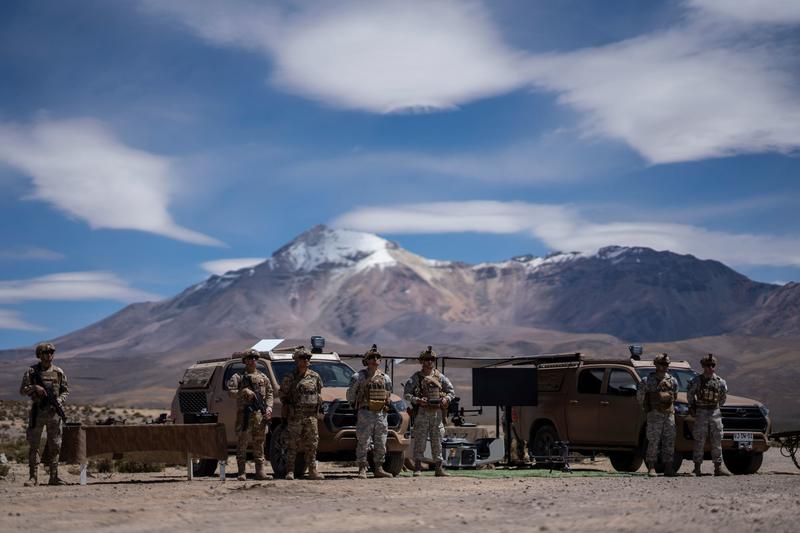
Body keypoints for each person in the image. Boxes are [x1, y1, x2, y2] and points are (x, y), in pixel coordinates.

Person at [19, 342, 69, 486]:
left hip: (54, 414)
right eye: (46, 352)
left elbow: (65, 390)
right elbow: (22, 390)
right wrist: (35, 387)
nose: (49, 355)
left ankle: (54, 477)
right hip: (38, 412)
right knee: (34, 445)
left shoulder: (59, 372)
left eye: (51, 352)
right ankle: (33, 477)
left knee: (55, 445)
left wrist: (59, 400)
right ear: (39, 355)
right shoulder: (32, 372)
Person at [403, 346, 455, 477]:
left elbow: (451, 392)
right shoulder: (416, 377)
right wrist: (418, 400)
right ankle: (417, 468)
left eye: (432, 359)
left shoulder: (440, 377)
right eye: (426, 359)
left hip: (437, 413)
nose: (429, 361)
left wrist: (446, 399)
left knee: (437, 440)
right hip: (422, 412)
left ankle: (439, 468)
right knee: (420, 440)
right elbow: (407, 394)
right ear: (422, 361)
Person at [347, 344, 393, 479]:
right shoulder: (358, 377)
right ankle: (362, 468)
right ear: (366, 360)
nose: (375, 359)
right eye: (372, 357)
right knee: (363, 441)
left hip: (380, 414)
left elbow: (388, 393)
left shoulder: (385, 378)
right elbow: (350, 394)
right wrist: (356, 405)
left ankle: (379, 468)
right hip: (365, 413)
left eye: (377, 357)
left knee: (381, 441)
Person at [226, 349, 273, 481]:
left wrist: (269, 408)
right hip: (244, 415)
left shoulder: (263, 378)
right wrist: (243, 391)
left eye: (255, 358)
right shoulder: (238, 377)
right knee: (242, 443)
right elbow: (231, 393)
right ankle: (241, 472)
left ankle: (260, 472)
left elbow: (270, 393)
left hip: (259, 416)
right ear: (245, 361)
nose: (253, 360)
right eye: (250, 358)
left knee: (259, 443)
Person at [279, 346, 324, 480]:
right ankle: (290, 471)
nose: (306, 360)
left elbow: (319, 392)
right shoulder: (291, 377)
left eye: (308, 358)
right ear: (297, 360)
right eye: (303, 358)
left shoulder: (315, 376)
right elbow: (282, 394)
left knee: (312, 444)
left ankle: (312, 471)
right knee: (292, 444)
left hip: (311, 416)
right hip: (296, 416)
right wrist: (288, 405)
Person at [687, 354, 730, 476]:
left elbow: (722, 398)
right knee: (699, 440)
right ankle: (697, 468)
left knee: (717, 440)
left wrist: (715, 407)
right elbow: (690, 395)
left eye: (713, 365)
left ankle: (718, 467)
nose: (711, 367)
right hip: (701, 412)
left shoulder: (720, 382)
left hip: (715, 412)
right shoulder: (696, 381)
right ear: (703, 366)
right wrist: (693, 407)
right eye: (708, 365)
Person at [636, 353, 678, 477]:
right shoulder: (647, 380)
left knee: (669, 440)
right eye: (663, 364)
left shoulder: (672, 380)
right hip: (654, 414)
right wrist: (647, 408)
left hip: (668, 414)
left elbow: (674, 396)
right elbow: (640, 396)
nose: (665, 366)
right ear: (656, 365)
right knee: (653, 440)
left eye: (667, 364)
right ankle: (651, 466)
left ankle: (669, 467)